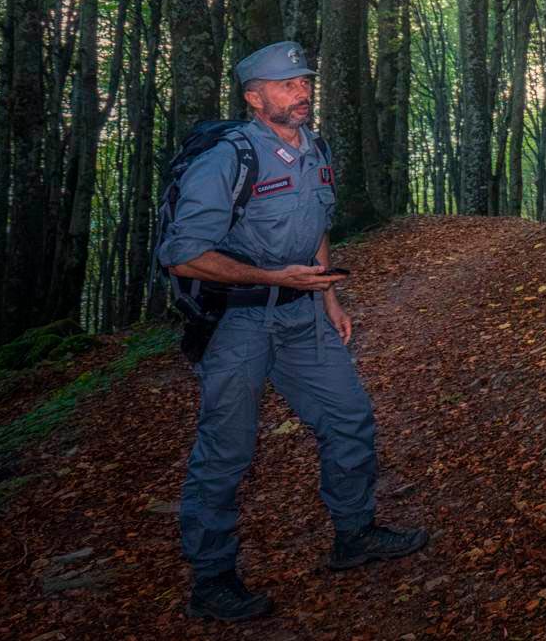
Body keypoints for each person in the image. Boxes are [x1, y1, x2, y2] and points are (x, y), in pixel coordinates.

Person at [157, 40, 427, 622]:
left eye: (304, 81)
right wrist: (269, 274)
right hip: (236, 322)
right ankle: (212, 580)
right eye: (287, 85)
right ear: (255, 98)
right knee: (226, 451)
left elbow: (316, 222)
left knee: (349, 418)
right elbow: (182, 254)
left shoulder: (315, 149)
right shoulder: (228, 158)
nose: (302, 92)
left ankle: (354, 535)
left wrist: (328, 293)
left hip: (303, 315)